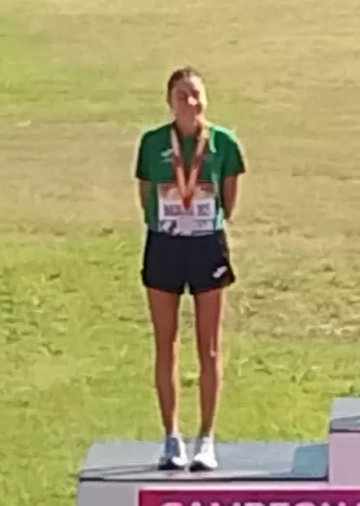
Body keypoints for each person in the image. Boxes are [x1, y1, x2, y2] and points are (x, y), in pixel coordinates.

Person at [133, 66, 247, 471]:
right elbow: (146, 196)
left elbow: (228, 202)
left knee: (209, 345)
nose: (191, 102)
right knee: (165, 343)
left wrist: (199, 219)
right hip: (164, 244)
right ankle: (171, 437)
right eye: (182, 96)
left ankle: (206, 439)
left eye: (196, 94)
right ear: (169, 101)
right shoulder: (151, 143)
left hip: (206, 245)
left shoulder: (223, 143)